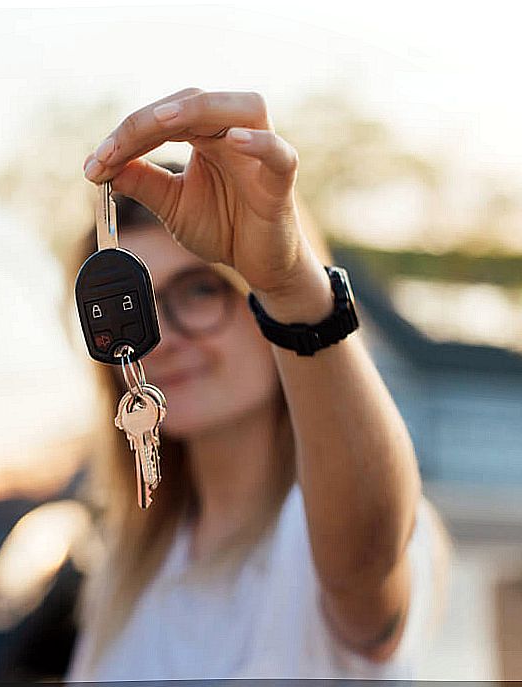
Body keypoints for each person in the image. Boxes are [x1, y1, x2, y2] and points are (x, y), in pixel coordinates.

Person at [64, 88, 449, 681]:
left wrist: (292, 285)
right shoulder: (130, 561)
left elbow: (364, 568)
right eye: (133, 308)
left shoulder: (322, 532)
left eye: (200, 290)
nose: (160, 339)